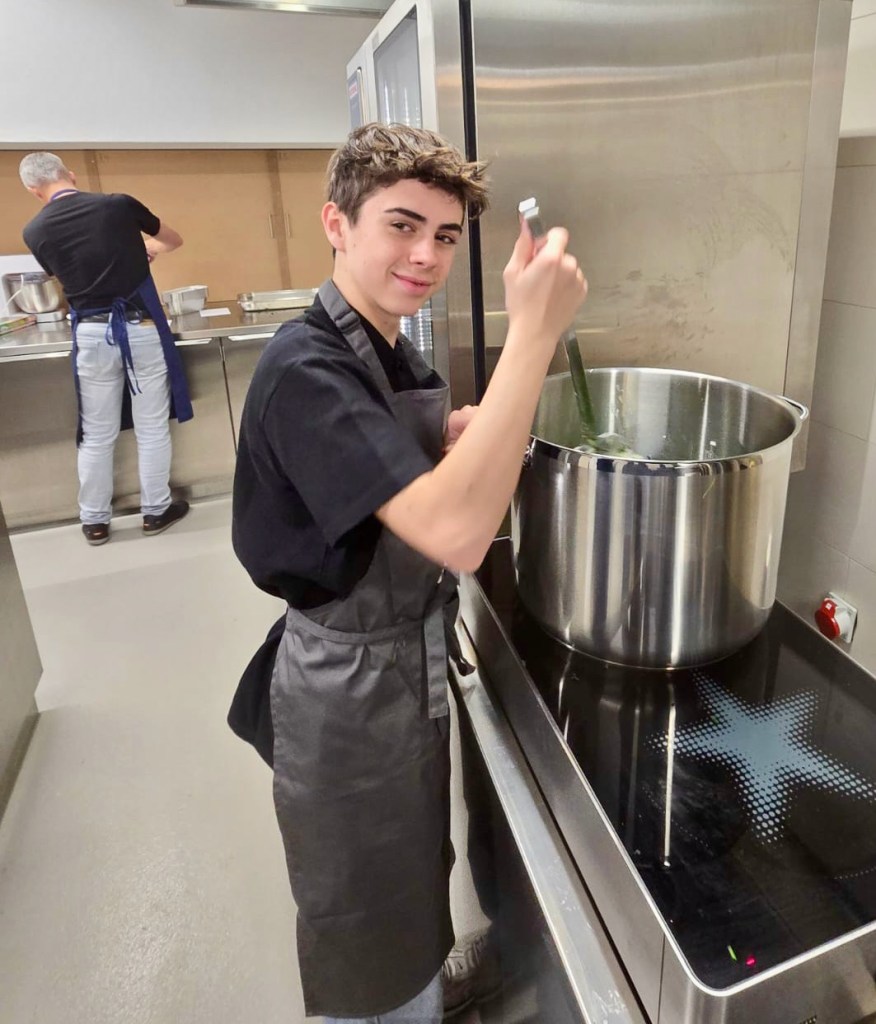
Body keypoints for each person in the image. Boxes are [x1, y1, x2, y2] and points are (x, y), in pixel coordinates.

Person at [229, 122, 587, 1023]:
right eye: (401, 226)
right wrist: (532, 334)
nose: (426, 256)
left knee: (414, 866)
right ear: (337, 224)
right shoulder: (306, 368)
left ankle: (421, 993)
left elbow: (398, 474)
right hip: (346, 685)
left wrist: (449, 438)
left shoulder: (385, 346)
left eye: (445, 236)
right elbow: (457, 535)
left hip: (402, 662)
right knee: (360, 907)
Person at [20, 152, 193, 546]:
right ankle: (156, 511)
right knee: (151, 427)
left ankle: (95, 521)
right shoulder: (118, 204)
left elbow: (66, 270)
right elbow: (173, 240)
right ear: (70, 174)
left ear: (34, 190)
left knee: (96, 434)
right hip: (141, 328)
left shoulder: (34, 231)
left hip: (91, 335)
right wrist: (146, 248)